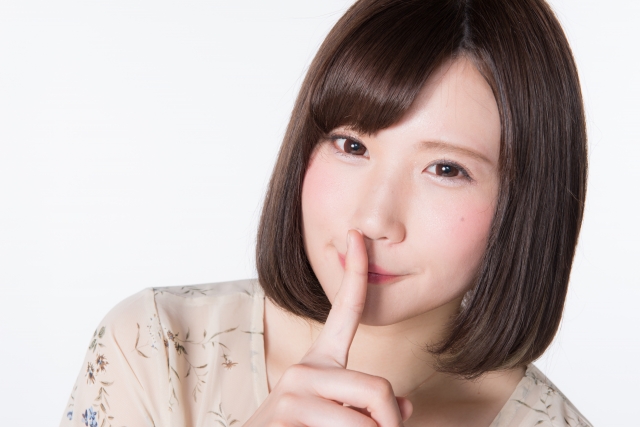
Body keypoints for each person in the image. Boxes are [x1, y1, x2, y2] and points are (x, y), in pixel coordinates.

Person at [59, 0, 592, 426]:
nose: (375, 219)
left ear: (527, 200)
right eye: (352, 146)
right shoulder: (156, 348)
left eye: (446, 169)